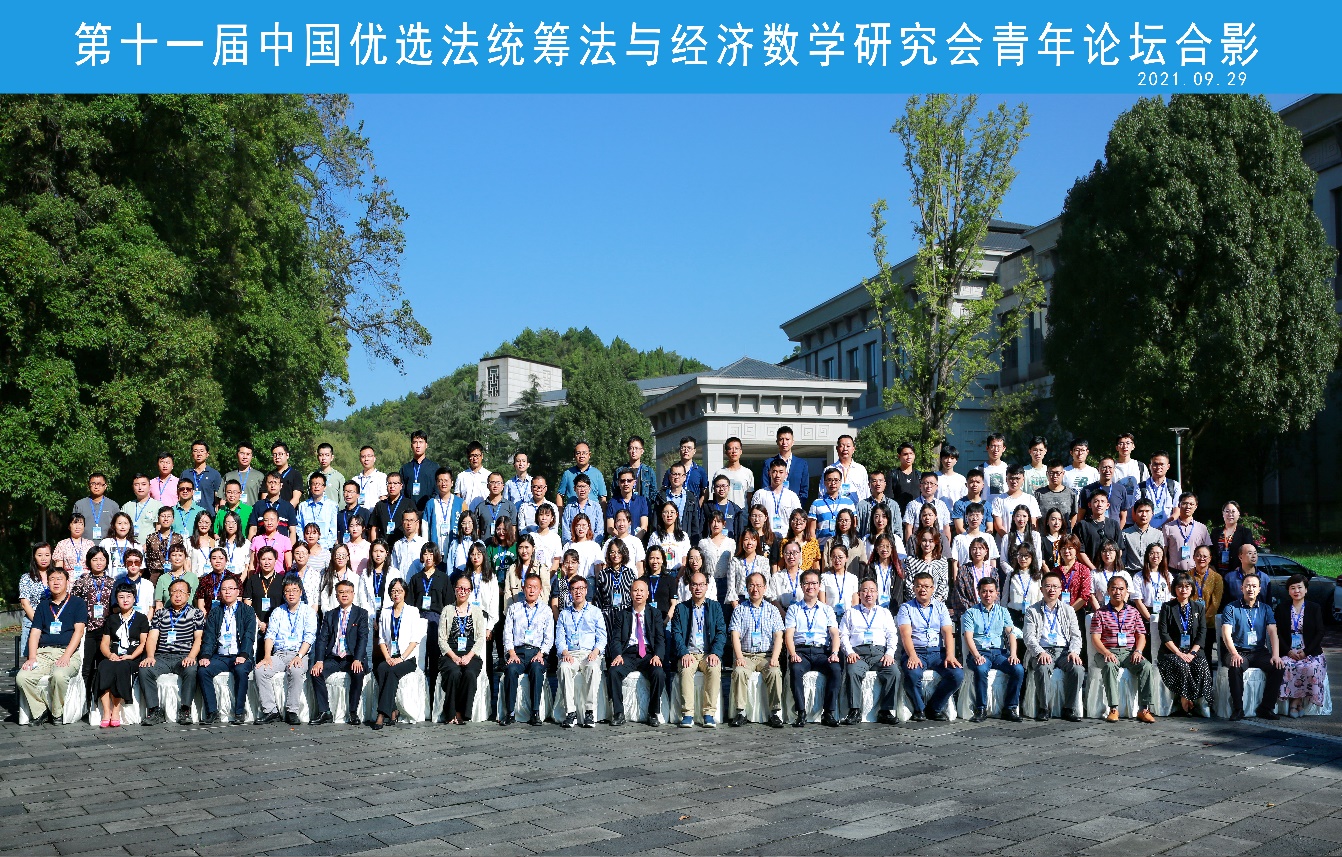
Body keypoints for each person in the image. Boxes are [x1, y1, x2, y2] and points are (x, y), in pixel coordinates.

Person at [18, 567, 87, 725]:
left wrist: (66, 655)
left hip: (68, 653)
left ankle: (57, 713)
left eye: (59, 579)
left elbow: (79, 632)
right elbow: (35, 633)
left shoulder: (77, 603)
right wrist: (32, 657)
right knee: (22, 677)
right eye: (52, 579)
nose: (56, 582)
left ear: (67, 582)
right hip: (43, 654)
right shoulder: (43, 606)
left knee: (59, 676)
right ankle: (40, 710)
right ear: (47, 583)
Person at [896, 572, 964, 721]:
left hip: (937, 652)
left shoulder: (940, 607)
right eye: (919, 586)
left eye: (926, 586)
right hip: (916, 651)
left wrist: (950, 655)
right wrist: (912, 655)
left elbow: (947, 632)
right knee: (912, 674)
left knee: (957, 674)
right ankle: (919, 708)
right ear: (913, 588)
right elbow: (905, 634)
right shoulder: (906, 608)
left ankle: (934, 707)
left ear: (933, 588)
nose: (923, 589)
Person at [137, 577, 205, 726]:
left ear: (188, 595)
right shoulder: (160, 613)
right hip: (162, 656)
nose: (178, 595)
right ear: (169, 594)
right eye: (174, 591)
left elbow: (198, 638)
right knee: (145, 669)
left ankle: (185, 710)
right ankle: (154, 710)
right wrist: (150, 656)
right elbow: (152, 637)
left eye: (182, 591)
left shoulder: (196, 614)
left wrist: (191, 656)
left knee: (191, 669)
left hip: (184, 656)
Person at [1090, 576, 1157, 723]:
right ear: (1108, 591)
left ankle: (1144, 709)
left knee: (1146, 666)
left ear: (1127, 591)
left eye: (1121, 589)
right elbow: (1095, 638)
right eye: (1114, 588)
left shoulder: (1134, 612)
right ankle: (1113, 709)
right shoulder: (1100, 613)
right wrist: (1106, 652)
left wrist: (1138, 651)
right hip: (1107, 652)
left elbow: (1141, 635)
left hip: (1129, 652)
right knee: (1109, 666)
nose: (1117, 592)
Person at [1022, 571, 1086, 722]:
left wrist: (1074, 652)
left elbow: (1076, 636)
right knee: (1042, 667)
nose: (1051, 590)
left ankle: (1069, 709)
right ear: (1041, 589)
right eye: (1048, 586)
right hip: (1042, 650)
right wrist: (1039, 652)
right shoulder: (1032, 610)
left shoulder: (1069, 610)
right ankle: (1044, 708)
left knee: (1078, 669)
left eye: (1055, 586)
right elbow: (1029, 637)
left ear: (1060, 589)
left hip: (1064, 652)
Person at [1220, 574, 1284, 721]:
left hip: (1259, 652)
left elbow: (1273, 632)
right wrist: (1234, 654)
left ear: (1259, 589)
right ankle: (1238, 709)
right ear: (1241, 588)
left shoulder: (1266, 609)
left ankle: (1266, 708)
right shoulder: (1231, 607)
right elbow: (1226, 634)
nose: (1250, 589)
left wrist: (1275, 655)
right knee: (1235, 666)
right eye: (1247, 585)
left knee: (1278, 667)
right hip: (1238, 651)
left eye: (1254, 586)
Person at [606, 578, 668, 727]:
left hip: (648, 654)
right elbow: (615, 639)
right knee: (613, 672)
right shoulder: (622, 615)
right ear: (630, 594)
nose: (638, 593)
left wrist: (657, 656)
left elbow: (660, 639)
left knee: (659, 673)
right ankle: (619, 713)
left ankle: (653, 713)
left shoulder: (655, 614)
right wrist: (618, 655)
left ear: (647, 594)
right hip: (628, 653)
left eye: (641, 591)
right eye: (635, 590)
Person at [837, 578, 900, 726]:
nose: (868, 594)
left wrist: (889, 653)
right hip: (858, 653)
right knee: (853, 671)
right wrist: (849, 652)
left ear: (877, 594)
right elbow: (843, 635)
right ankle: (854, 711)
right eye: (865, 590)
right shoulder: (850, 612)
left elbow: (892, 635)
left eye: (872, 590)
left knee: (894, 672)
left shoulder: (885, 613)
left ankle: (885, 711)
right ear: (859, 594)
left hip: (880, 653)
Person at [727, 572, 786, 728]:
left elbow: (779, 636)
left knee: (775, 672)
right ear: (747, 588)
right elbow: (734, 635)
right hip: (746, 655)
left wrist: (775, 658)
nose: (755, 589)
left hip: (766, 655)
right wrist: (739, 657)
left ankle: (775, 712)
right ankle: (741, 712)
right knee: (739, 671)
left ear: (765, 588)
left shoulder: (773, 610)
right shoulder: (739, 609)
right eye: (752, 585)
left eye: (759, 585)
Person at [783, 570, 842, 726]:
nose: (811, 586)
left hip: (822, 652)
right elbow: (789, 635)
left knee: (835, 669)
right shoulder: (794, 609)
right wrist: (792, 654)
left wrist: (834, 653)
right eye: (807, 583)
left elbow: (835, 634)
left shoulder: (827, 609)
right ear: (802, 586)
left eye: (814, 583)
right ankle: (801, 713)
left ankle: (828, 713)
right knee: (795, 669)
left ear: (819, 586)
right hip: (801, 652)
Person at [308, 580, 371, 725]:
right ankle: (325, 712)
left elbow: (363, 638)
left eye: (347, 592)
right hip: (334, 658)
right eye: (341, 592)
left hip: (352, 658)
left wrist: (358, 659)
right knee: (315, 672)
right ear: (336, 595)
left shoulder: (361, 613)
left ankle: (353, 712)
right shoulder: (330, 615)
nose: (344, 595)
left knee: (358, 672)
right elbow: (322, 639)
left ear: (353, 594)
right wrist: (319, 661)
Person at [669, 570, 726, 727]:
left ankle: (709, 714)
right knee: (686, 668)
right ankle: (687, 714)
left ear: (707, 586)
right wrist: (684, 653)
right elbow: (676, 633)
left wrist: (715, 653)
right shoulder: (681, 608)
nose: (698, 588)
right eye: (694, 584)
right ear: (689, 587)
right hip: (690, 654)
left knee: (714, 668)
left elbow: (721, 632)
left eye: (701, 584)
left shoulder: (715, 607)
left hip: (708, 654)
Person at [961, 578, 1024, 722]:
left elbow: (1011, 633)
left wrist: (1013, 654)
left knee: (1018, 669)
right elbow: (968, 637)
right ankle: (981, 709)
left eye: (991, 591)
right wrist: (976, 655)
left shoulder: (1003, 611)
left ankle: (1010, 708)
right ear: (979, 593)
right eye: (984, 591)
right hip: (980, 652)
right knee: (981, 669)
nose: (987, 595)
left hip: (999, 653)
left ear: (996, 593)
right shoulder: (971, 612)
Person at [196, 577, 257, 725]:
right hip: (221, 656)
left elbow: (249, 635)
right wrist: (205, 655)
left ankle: (239, 712)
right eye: (224, 589)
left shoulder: (247, 611)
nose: (227, 592)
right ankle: (212, 712)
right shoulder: (215, 612)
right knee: (203, 670)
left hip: (240, 654)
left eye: (231, 588)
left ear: (238, 591)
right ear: (220, 593)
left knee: (241, 670)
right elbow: (209, 636)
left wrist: (244, 654)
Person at [254, 579, 316, 725]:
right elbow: (270, 635)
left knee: (296, 670)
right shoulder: (277, 611)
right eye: (288, 591)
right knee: (260, 670)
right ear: (284, 594)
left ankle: (292, 711)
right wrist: (267, 656)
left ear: (301, 592)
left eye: (295, 590)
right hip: (280, 654)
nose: (291, 594)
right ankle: (270, 711)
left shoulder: (308, 612)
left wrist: (299, 656)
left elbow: (309, 637)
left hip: (300, 654)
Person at [1155, 573, 1212, 718]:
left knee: (1201, 665)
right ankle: (1185, 699)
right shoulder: (1167, 607)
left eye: (1187, 586)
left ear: (1192, 588)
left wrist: (1192, 653)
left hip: (1192, 650)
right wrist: (1179, 653)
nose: (1183, 589)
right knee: (1182, 665)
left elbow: (1202, 633)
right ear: (1174, 589)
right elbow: (1164, 633)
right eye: (1180, 586)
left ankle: (1198, 703)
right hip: (1171, 651)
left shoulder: (1198, 607)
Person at [95, 583, 150, 727]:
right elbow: (104, 643)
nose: (125, 600)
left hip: (132, 656)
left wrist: (131, 656)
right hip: (114, 655)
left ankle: (116, 709)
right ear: (116, 599)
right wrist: (109, 655)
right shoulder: (111, 619)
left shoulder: (141, 618)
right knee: (104, 666)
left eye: (128, 596)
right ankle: (106, 711)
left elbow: (143, 643)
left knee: (120, 668)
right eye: (121, 597)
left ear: (134, 598)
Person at [501, 573, 553, 726]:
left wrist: (541, 653)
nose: (531, 590)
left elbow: (549, 637)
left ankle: (535, 713)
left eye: (535, 587)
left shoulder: (546, 610)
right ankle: (510, 713)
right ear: (523, 588)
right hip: (517, 652)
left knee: (536, 669)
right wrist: (511, 653)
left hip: (537, 653)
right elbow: (507, 633)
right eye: (529, 587)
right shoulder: (514, 608)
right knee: (510, 669)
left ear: (540, 590)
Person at [555, 576, 607, 728]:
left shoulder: (595, 612)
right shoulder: (564, 614)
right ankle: (570, 712)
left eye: (581, 588)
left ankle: (589, 711)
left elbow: (602, 637)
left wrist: (595, 652)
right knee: (564, 668)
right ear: (570, 592)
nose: (578, 592)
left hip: (589, 653)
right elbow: (559, 639)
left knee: (592, 667)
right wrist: (565, 653)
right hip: (571, 654)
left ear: (586, 590)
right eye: (574, 589)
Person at [372, 578, 423, 729]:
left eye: (399, 591)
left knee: (392, 671)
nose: (396, 594)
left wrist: (401, 658)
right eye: (393, 591)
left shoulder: (412, 611)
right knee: (381, 668)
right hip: (390, 657)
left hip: (407, 659)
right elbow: (382, 639)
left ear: (405, 592)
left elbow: (415, 639)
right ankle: (393, 710)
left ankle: (381, 714)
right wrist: (387, 657)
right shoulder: (385, 612)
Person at [439, 573, 487, 724]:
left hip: (470, 653)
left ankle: (461, 712)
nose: (462, 592)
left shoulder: (477, 611)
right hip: (450, 653)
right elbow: (441, 639)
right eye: (459, 588)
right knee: (453, 673)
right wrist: (453, 657)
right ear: (455, 589)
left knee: (469, 674)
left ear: (470, 591)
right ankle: (450, 713)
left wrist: (469, 656)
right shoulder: (447, 610)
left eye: (466, 589)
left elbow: (480, 638)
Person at [1277, 574, 1327, 718]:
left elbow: (1320, 632)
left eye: (1300, 587)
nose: (1296, 591)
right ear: (1288, 591)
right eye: (1292, 588)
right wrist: (1288, 651)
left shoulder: (1314, 608)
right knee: (1287, 665)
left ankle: (1295, 702)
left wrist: (1306, 651)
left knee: (1311, 667)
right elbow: (1277, 633)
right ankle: (1296, 703)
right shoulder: (1282, 608)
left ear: (1306, 590)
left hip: (1310, 651)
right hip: (1289, 651)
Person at [70, 546, 114, 699]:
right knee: (86, 666)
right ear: (89, 561)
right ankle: (85, 700)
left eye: (102, 559)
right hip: (87, 630)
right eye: (95, 559)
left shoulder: (112, 582)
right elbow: (74, 605)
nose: (99, 562)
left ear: (107, 561)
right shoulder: (81, 581)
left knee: (103, 665)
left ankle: (99, 700)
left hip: (106, 630)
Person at [407, 542, 452, 682]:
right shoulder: (415, 578)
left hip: (436, 620)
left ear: (436, 556)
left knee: (435, 658)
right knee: (420, 657)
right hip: (419, 620)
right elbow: (410, 604)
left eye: (431, 554)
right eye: (425, 554)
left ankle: (433, 690)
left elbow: (449, 604)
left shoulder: (443, 578)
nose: (428, 557)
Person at [19, 543, 53, 661]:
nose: (44, 558)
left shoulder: (57, 576)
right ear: (34, 557)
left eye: (47, 555)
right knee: (32, 661)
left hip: (54, 622)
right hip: (33, 622)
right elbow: (25, 603)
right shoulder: (26, 578)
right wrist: (40, 622)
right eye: (39, 555)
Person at [752, 459, 802, 540]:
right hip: (765, 538)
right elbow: (754, 518)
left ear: (786, 474)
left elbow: (798, 518)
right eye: (774, 471)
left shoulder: (792, 496)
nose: (777, 475)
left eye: (781, 472)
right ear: (769, 473)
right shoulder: (760, 494)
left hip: (786, 538)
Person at [808, 466, 858, 546]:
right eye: (829, 480)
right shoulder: (816, 503)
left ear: (841, 482)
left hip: (844, 548)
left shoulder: (849, 502)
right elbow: (811, 529)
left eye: (836, 480)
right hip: (823, 547)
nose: (833, 483)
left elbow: (854, 525)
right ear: (824, 482)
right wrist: (815, 548)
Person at [1162, 492, 1211, 574]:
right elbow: (1164, 552)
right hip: (1174, 572)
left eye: (1191, 504)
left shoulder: (1202, 528)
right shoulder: (1168, 527)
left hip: (1195, 572)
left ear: (1196, 506)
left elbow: (1207, 552)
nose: (1188, 506)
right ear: (1179, 505)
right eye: (1185, 503)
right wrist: (1165, 571)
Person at [656, 462, 703, 544]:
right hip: (664, 539)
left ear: (684, 477)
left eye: (679, 474)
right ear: (670, 477)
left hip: (685, 540)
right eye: (674, 474)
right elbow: (655, 520)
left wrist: (694, 544)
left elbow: (695, 523)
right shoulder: (661, 496)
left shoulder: (691, 498)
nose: (677, 477)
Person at [1079, 458, 1132, 528]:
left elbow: (1123, 516)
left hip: (1113, 530)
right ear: (1098, 469)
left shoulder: (1121, 489)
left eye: (1110, 467)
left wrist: (1118, 531)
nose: (1107, 470)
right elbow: (1080, 516)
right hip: (1091, 530)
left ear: (1114, 469)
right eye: (1104, 467)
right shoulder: (1087, 490)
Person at [763, 425, 810, 503]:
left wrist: (798, 506)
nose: (784, 442)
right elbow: (765, 487)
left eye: (787, 439)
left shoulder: (802, 464)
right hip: (773, 504)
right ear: (777, 442)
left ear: (792, 442)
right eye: (781, 439)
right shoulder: (768, 463)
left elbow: (804, 489)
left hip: (795, 506)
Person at [903, 526, 949, 603]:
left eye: (931, 541)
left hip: (936, 604)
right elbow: (909, 585)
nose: (927, 544)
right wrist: (920, 601)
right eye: (924, 540)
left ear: (935, 542)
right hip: (915, 603)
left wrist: (933, 602)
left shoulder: (942, 561)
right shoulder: (911, 561)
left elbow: (943, 584)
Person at [990, 466, 1041, 537]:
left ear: (1023, 479)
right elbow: (998, 525)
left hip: (1025, 542)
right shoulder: (998, 500)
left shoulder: (1030, 499)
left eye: (1017, 478)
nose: (1014, 481)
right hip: (1004, 541)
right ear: (1006, 479)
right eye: (1011, 478)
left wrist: (1024, 540)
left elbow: (1033, 524)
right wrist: (1008, 539)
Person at [1136, 451, 1181, 529]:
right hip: (1147, 531)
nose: (1158, 467)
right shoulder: (1141, 487)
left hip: (1169, 530)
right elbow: (1136, 512)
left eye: (1162, 464)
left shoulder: (1174, 486)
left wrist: (1162, 527)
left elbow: (1177, 512)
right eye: (1155, 464)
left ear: (1168, 466)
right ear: (1150, 466)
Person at [903, 472, 951, 546]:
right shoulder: (912, 505)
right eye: (926, 483)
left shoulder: (942, 505)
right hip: (918, 545)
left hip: (938, 545)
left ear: (936, 487)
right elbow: (908, 529)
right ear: (920, 486)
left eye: (932, 483)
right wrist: (910, 547)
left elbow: (946, 528)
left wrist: (946, 547)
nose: (929, 486)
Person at [1211, 501, 1256, 578]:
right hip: (1217, 574)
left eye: (1233, 511)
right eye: (1227, 511)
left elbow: (1249, 553)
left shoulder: (1245, 533)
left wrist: (1241, 568)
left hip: (1237, 574)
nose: (1230, 514)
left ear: (1238, 514)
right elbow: (1210, 551)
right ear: (1223, 514)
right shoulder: (1216, 532)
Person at [247, 471, 297, 540]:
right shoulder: (258, 505)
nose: (273, 485)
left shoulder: (288, 507)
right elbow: (253, 529)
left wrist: (289, 546)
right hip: (262, 545)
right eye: (270, 482)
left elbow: (292, 532)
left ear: (281, 485)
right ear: (266, 485)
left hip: (281, 546)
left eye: (275, 482)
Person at [1075, 492, 1120, 569]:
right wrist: (1093, 569)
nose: (1099, 504)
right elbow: (1079, 551)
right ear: (1089, 505)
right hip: (1088, 570)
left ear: (1107, 505)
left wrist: (1110, 567)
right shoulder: (1082, 525)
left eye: (1103, 501)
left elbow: (1119, 549)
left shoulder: (1114, 524)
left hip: (1110, 570)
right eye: (1096, 501)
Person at [555, 441, 607, 508]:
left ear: (589, 455)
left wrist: (603, 513)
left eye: (584, 453)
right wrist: (560, 512)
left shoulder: (597, 474)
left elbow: (603, 498)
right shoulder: (568, 474)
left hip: (592, 512)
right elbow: (560, 495)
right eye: (578, 453)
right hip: (572, 511)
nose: (581, 456)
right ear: (574, 455)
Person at [1033, 460, 1079, 535]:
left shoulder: (1071, 494)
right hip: (1044, 537)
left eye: (1057, 473)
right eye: (1051, 473)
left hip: (1064, 537)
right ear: (1047, 474)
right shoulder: (1038, 494)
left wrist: (1069, 532)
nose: (1054, 476)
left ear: (1063, 473)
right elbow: (1034, 517)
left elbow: (1074, 515)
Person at [607, 467, 652, 539]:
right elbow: (610, 527)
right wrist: (622, 539)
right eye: (622, 481)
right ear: (618, 483)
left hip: (637, 541)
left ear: (634, 482)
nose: (626, 483)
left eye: (629, 481)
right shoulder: (612, 502)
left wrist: (633, 541)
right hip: (619, 542)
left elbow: (644, 527)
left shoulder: (642, 501)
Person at [73, 472, 120, 542]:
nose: (96, 487)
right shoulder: (79, 505)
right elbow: (73, 527)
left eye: (99, 484)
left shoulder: (113, 505)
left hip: (107, 544)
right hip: (84, 544)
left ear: (105, 486)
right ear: (89, 485)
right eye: (93, 484)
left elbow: (118, 526)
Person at [296, 473, 338, 550]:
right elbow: (299, 528)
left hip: (325, 549)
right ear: (310, 487)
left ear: (324, 487)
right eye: (314, 484)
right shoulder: (303, 506)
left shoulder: (332, 506)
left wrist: (323, 547)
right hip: (306, 549)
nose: (316, 486)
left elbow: (333, 530)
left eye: (319, 484)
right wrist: (304, 545)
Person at [713, 436, 756, 511]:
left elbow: (749, 497)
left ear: (741, 451)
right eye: (730, 448)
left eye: (736, 448)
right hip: (723, 512)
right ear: (726, 452)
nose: (734, 451)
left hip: (742, 512)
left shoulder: (747, 472)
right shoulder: (719, 473)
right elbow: (715, 495)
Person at [368, 473, 411, 547]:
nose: (392, 486)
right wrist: (374, 546)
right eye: (389, 483)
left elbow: (415, 526)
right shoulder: (380, 505)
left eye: (395, 483)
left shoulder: (408, 503)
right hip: (383, 547)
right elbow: (374, 528)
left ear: (401, 486)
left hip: (403, 546)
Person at [1132, 543, 1172, 621]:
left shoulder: (1168, 575)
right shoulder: (1138, 576)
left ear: (1163, 556)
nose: (1155, 556)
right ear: (1147, 555)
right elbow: (1138, 600)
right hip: (1146, 613)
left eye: (1158, 553)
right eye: (1152, 553)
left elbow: (1172, 598)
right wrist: (1150, 619)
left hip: (1165, 613)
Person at [561, 473, 605, 544]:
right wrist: (572, 546)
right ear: (574, 489)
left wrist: (591, 546)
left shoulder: (596, 507)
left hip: (592, 546)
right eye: (579, 486)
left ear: (589, 489)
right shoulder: (569, 508)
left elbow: (599, 530)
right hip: (573, 546)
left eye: (584, 486)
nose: (582, 490)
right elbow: (565, 531)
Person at [153, 543, 199, 610]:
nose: (177, 558)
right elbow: (159, 604)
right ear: (169, 558)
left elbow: (196, 602)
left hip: (188, 614)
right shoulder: (162, 578)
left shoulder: (192, 577)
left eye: (180, 555)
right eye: (174, 555)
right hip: (168, 614)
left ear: (185, 557)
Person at [122, 474, 164, 547]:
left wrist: (147, 545)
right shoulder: (127, 506)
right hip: (129, 547)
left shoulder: (158, 506)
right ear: (133, 487)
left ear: (149, 486)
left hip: (150, 547)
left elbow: (159, 529)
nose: (140, 487)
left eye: (143, 484)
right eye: (136, 485)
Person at [472, 471, 517, 540]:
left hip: (504, 545)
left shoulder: (510, 506)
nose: (495, 486)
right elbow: (477, 530)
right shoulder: (480, 507)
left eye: (498, 483)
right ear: (487, 486)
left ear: (503, 486)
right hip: (485, 545)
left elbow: (513, 529)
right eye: (492, 482)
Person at [1225, 543, 1272, 607]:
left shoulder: (1265, 578)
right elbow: (1225, 603)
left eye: (1255, 553)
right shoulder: (1229, 578)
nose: (1253, 556)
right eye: (1250, 553)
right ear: (1240, 557)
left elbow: (1268, 604)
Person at [182, 440, 223, 512]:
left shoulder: (214, 474)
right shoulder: (185, 474)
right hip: (188, 514)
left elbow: (219, 499)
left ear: (207, 454)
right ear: (192, 454)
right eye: (195, 451)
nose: (199, 454)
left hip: (208, 515)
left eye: (201, 451)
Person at [703, 476, 745, 543]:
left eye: (724, 486)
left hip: (730, 545)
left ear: (729, 488)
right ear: (714, 488)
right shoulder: (707, 507)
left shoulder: (736, 509)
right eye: (718, 486)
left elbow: (740, 531)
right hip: (712, 544)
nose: (721, 489)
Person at [53, 513, 95, 579]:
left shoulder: (90, 544)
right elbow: (59, 567)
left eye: (81, 523)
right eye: (75, 523)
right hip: (68, 579)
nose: (78, 527)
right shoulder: (62, 544)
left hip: (87, 579)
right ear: (69, 526)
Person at [858, 471, 899, 538]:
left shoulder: (893, 505)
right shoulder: (862, 505)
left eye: (880, 481)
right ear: (869, 484)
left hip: (888, 542)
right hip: (868, 542)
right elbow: (857, 530)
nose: (878, 484)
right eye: (874, 481)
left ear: (885, 483)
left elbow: (898, 530)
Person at [621, 436, 659, 508]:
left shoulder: (649, 471)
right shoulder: (620, 471)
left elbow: (653, 494)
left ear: (642, 451)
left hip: (643, 510)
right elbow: (615, 492)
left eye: (636, 448)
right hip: (625, 509)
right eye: (631, 448)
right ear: (627, 450)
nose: (634, 451)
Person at [223, 442, 264, 507]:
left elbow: (263, 499)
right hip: (232, 512)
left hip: (252, 512)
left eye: (248, 454)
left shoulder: (259, 476)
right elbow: (222, 499)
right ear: (237, 455)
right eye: (242, 453)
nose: (245, 457)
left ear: (252, 456)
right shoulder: (228, 476)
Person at [392, 508, 428, 577]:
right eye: (406, 520)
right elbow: (394, 567)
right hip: (402, 582)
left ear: (417, 523)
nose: (409, 523)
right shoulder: (397, 545)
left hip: (419, 582)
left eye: (412, 520)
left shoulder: (424, 544)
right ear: (402, 523)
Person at [951, 469, 988, 535]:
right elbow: (959, 529)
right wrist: (970, 538)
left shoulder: (987, 505)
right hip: (965, 538)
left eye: (978, 482)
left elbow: (990, 528)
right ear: (966, 484)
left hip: (983, 539)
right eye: (971, 482)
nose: (975, 484)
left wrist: (983, 539)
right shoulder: (959, 504)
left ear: (983, 485)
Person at [353, 446, 389, 511]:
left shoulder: (381, 477)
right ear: (360, 460)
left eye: (369, 456)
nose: (366, 459)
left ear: (374, 458)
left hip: (374, 514)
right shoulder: (355, 480)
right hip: (358, 515)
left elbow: (383, 498)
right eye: (363, 456)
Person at [889, 442, 920, 510]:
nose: (909, 457)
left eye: (911, 454)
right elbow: (889, 499)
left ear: (914, 455)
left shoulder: (919, 476)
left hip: (917, 514)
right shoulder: (893, 475)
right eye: (905, 454)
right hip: (898, 514)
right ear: (899, 456)